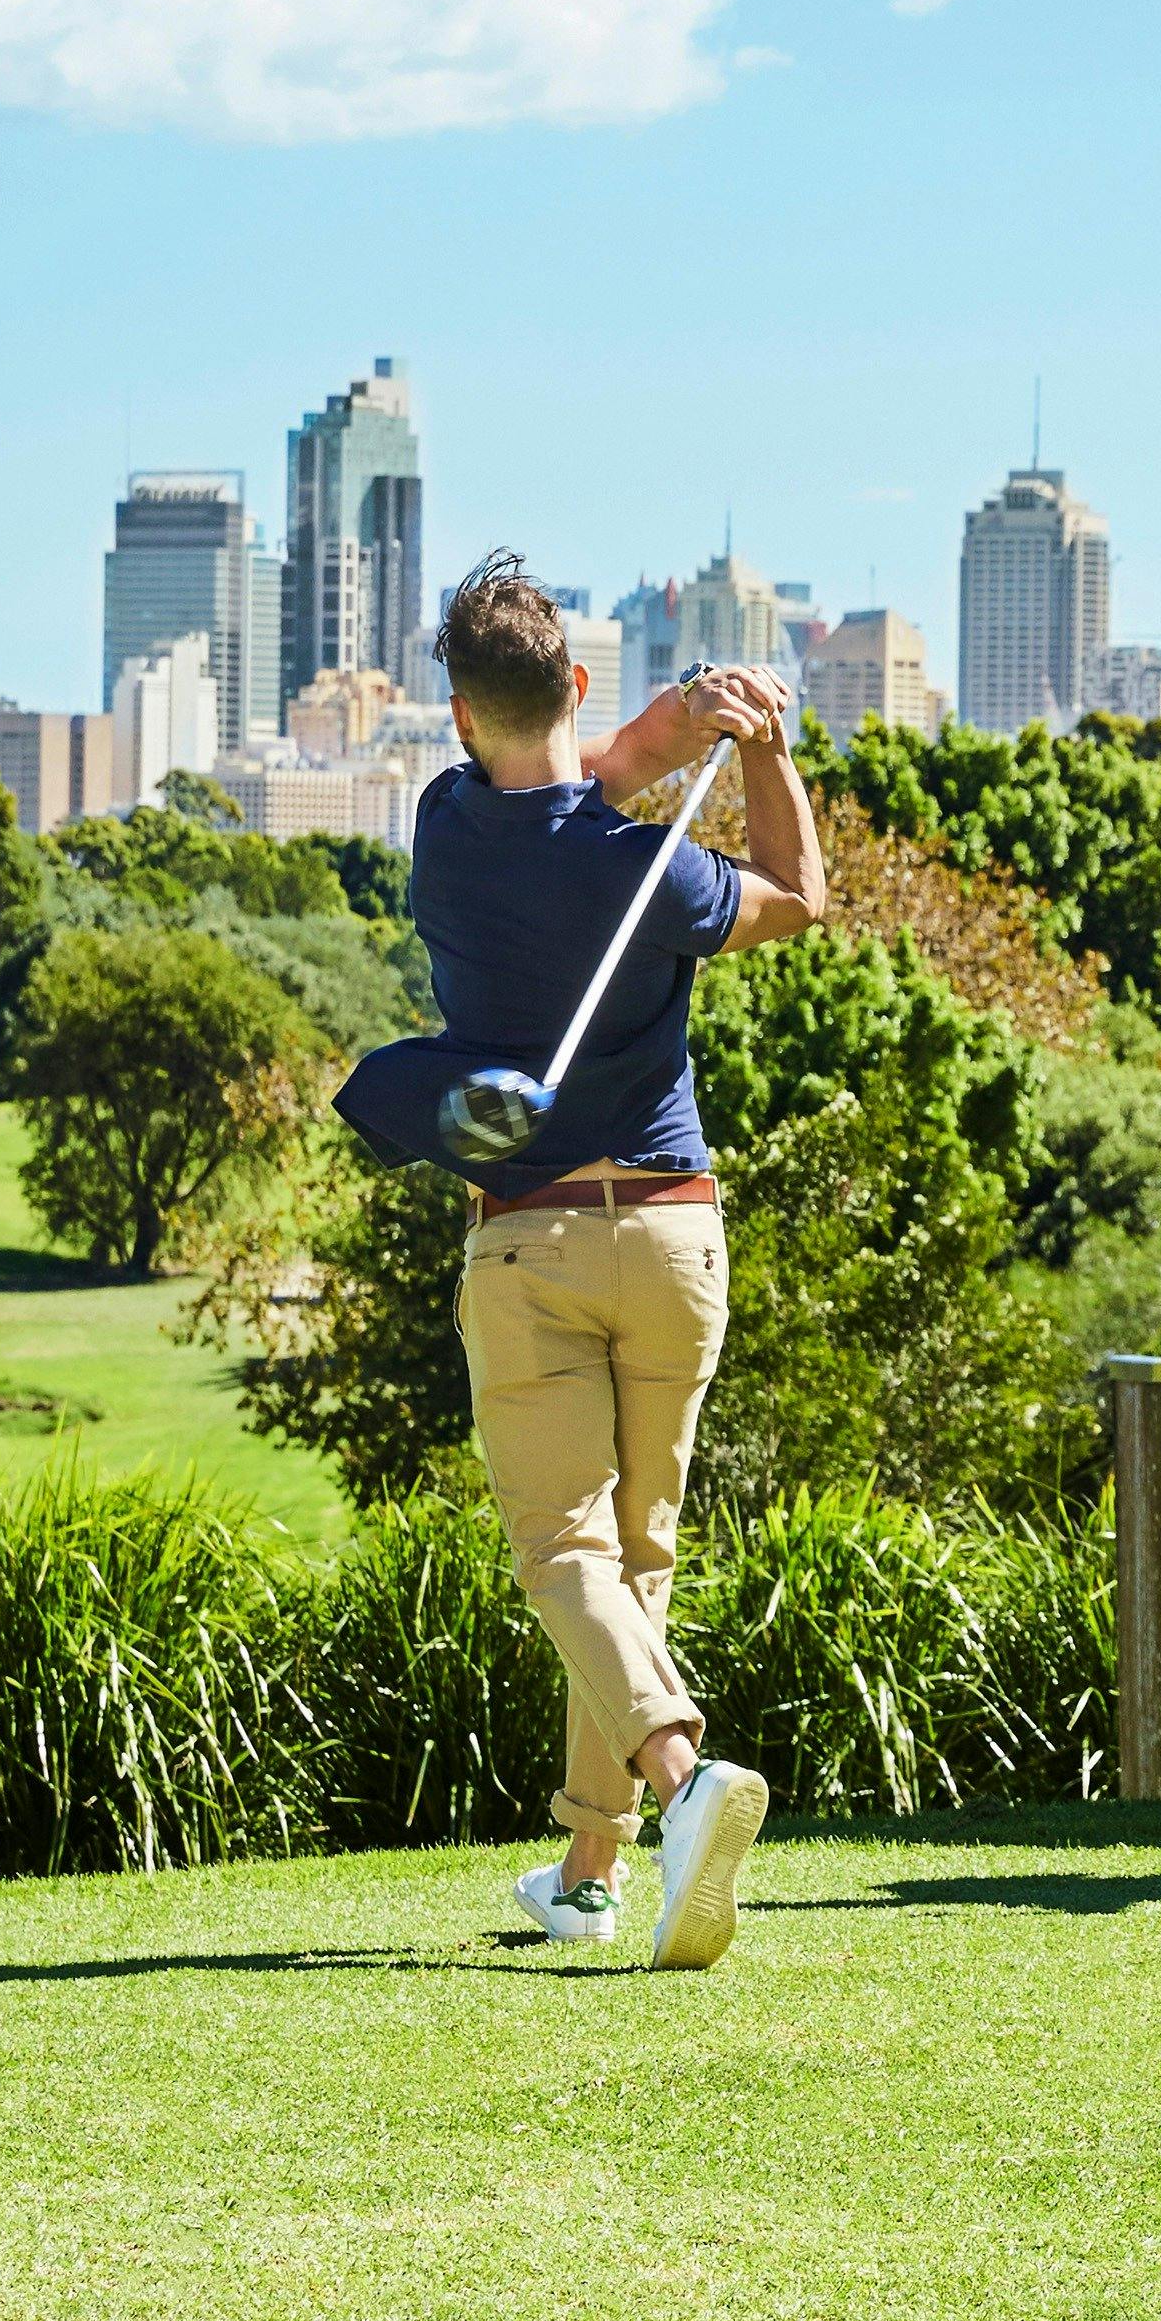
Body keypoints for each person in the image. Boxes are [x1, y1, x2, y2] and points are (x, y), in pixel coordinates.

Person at [415, 556, 826, 1969]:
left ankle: (679, 1778)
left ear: (459, 711)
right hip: (672, 1232)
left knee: (566, 1549)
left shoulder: (446, 831)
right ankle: (591, 1875)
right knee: (635, 1557)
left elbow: (585, 765)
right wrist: (764, 752)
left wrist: (686, 725)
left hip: (529, 1240)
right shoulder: (662, 869)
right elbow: (798, 895)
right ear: (576, 686)